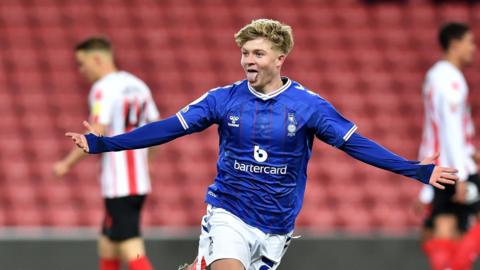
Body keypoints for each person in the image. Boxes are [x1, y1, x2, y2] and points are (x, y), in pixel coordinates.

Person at [65, 19, 458, 270]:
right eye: (244, 53)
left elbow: (359, 146)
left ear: (280, 58)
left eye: (257, 53)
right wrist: (104, 144)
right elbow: (167, 128)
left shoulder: (308, 106)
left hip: (276, 226)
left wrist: (417, 170)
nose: (247, 60)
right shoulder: (223, 99)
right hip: (228, 211)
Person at [53, 37, 159, 270]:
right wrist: (148, 162)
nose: (81, 71)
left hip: (119, 183)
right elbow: (156, 127)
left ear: (97, 59)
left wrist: (66, 164)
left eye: (82, 64)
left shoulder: (102, 89)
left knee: (131, 246)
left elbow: (97, 131)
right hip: (137, 181)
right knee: (108, 242)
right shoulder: (138, 85)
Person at [417, 22, 479, 270]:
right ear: (454, 44)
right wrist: (461, 173)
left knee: (445, 227)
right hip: (455, 167)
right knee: (452, 228)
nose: (473, 48)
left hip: (440, 165)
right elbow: (451, 128)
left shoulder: (435, 76)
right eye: (470, 42)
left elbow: (435, 129)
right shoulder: (450, 80)